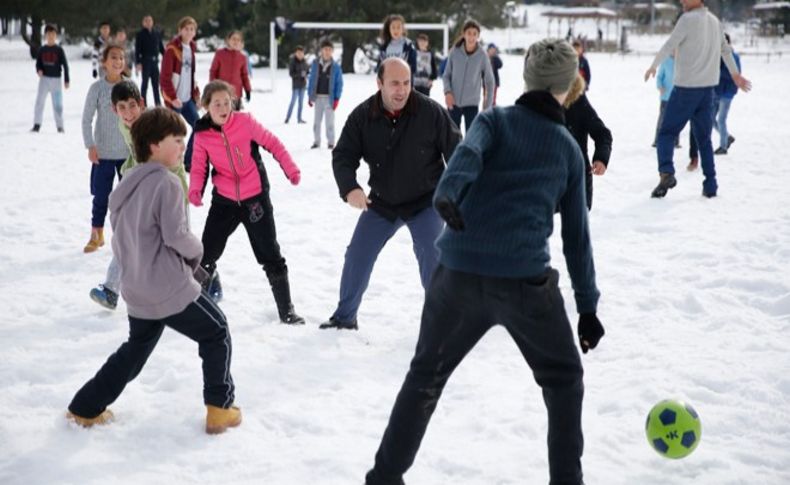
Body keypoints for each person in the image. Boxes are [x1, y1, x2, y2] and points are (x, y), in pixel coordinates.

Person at [365, 39, 603, 485]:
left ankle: (383, 478)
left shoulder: (495, 121)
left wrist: (448, 194)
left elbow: (466, 159)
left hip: (455, 274)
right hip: (525, 284)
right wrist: (587, 309)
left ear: (527, 78)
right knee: (564, 379)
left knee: (425, 377)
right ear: (569, 84)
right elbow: (577, 239)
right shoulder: (569, 149)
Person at [67, 107, 241, 435]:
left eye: (183, 141)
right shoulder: (168, 183)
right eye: (176, 141)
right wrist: (197, 253)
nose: (181, 147)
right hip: (169, 287)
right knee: (216, 331)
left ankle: (84, 407)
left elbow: (122, 242)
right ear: (153, 145)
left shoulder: (128, 184)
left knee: (135, 351)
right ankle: (220, 408)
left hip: (138, 288)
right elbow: (176, 236)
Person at [319, 58, 461, 331]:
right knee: (357, 254)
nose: (401, 90)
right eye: (394, 83)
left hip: (426, 200)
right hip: (382, 201)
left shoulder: (430, 112)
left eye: (406, 83)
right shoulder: (363, 116)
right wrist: (350, 187)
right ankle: (345, 318)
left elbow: (458, 151)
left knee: (432, 257)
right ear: (380, 83)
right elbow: (343, 156)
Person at [189, 80, 305, 325]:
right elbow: (199, 165)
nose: (223, 107)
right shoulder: (201, 135)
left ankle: (287, 310)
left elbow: (273, 143)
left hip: (255, 199)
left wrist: (290, 169)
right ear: (206, 107)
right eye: (216, 103)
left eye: (226, 102)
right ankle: (195, 308)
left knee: (270, 253)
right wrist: (195, 190)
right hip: (224, 201)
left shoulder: (245, 122)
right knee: (206, 254)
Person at [89, 80, 190, 310]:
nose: (128, 113)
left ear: (141, 104)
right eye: (122, 107)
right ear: (114, 110)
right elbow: (137, 155)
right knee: (128, 236)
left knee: (179, 245)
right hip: (147, 191)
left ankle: (206, 282)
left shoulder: (155, 125)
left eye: (132, 105)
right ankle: (111, 289)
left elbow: (176, 150)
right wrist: (129, 170)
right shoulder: (125, 126)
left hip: (172, 191)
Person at [644, 0, 751, 198]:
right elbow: (726, 50)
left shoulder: (687, 20)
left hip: (685, 90)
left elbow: (670, 45)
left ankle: (666, 172)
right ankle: (711, 185)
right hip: (707, 92)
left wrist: (653, 65)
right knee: (704, 140)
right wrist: (735, 75)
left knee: (666, 133)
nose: (682, 1)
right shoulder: (714, 21)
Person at [81, 44, 130, 253]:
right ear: (104, 62)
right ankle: (96, 234)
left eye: (121, 58)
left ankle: (128, 237)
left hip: (127, 155)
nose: (118, 61)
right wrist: (90, 145)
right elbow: (86, 120)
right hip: (103, 154)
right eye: (113, 57)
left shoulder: (130, 86)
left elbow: (137, 118)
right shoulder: (97, 89)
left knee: (128, 198)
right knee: (101, 196)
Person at [563, 74, 612, 210]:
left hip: (577, 177)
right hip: (546, 179)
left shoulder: (578, 101)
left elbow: (602, 134)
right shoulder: (537, 103)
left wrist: (601, 158)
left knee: (576, 226)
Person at [442, 19, 495, 133]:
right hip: (453, 102)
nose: (471, 37)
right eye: (469, 33)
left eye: (474, 34)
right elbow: (446, 75)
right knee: (452, 137)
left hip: (472, 104)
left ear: (478, 36)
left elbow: (490, 82)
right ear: (464, 34)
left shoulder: (482, 55)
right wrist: (447, 93)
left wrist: (487, 107)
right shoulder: (454, 52)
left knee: (471, 137)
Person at [161, 16, 200, 169]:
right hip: (175, 99)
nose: (189, 32)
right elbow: (164, 78)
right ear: (180, 30)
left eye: (192, 29)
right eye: (186, 29)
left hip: (187, 98)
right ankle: (166, 161)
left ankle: (188, 162)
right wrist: (172, 97)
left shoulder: (192, 49)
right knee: (171, 133)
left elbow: (191, 75)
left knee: (199, 127)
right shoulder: (172, 50)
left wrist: (195, 94)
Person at [32, 24, 69, 133]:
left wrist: (66, 79)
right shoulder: (42, 49)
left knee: (58, 104)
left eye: (53, 34)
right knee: (39, 102)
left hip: (56, 80)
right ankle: (37, 124)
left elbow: (65, 65)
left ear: (56, 35)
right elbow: (38, 63)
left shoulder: (59, 50)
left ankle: (60, 126)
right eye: (48, 34)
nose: (51, 36)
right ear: (45, 35)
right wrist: (39, 70)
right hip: (44, 80)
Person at [307, 40, 343, 149]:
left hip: (329, 98)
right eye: (325, 49)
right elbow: (311, 80)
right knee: (317, 122)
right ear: (321, 51)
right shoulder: (315, 64)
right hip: (318, 97)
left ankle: (331, 142)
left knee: (329, 122)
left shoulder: (336, 67)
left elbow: (339, 83)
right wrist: (310, 96)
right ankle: (316, 141)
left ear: (332, 51)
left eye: (329, 50)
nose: (327, 52)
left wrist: (337, 98)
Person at [712, 33, 741, 155]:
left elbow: (734, 74)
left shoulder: (733, 57)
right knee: (710, 118)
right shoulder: (716, 56)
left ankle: (723, 147)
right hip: (716, 91)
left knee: (721, 119)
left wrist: (717, 71)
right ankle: (727, 137)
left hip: (727, 92)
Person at [209, 30, 252, 110]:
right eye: (233, 39)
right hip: (221, 92)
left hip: (236, 94)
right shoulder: (220, 54)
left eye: (238, 40)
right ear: (228, 40)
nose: (235, 41)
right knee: (222, 118)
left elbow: (244, 75)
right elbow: (213, 71)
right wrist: (212, 87)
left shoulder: (242, 57)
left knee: (234, 119)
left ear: (241, 42)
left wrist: (247, 90)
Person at [135, 15, 165, 106]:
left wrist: (167, 56)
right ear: (143, 23)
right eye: (146, 21)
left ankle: (158, 103)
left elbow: (161, 48)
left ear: (152, 22)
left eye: (150, 21)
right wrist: (138, 63)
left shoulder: (156, 33)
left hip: (155, 62)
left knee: (156, 85)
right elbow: (137, 50)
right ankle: (143, 104)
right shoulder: (140, 34)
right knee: (145, 84)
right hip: (145, 62)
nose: (148, 22)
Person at [653, 53, 680, 148]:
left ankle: (676, 141)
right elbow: (659, 77)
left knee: (676, 120)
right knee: (662, 119)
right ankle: (657, 140)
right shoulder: (665, 62)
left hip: (678, 96)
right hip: (665, 96)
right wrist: (660, 87)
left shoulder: (682, 61)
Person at [285, 45, 309, 123]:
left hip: (303, 85)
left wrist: (306, 74)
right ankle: (287, 118)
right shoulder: (293, 61)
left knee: (301, 103)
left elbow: (307, 71)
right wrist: (299, 74)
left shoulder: (305, 62)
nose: (300, 54)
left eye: (301, 53)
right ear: (296, 53)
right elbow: (291, 73)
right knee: (293, 102)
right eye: (298, 53)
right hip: (295, 85)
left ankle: (299, 118)